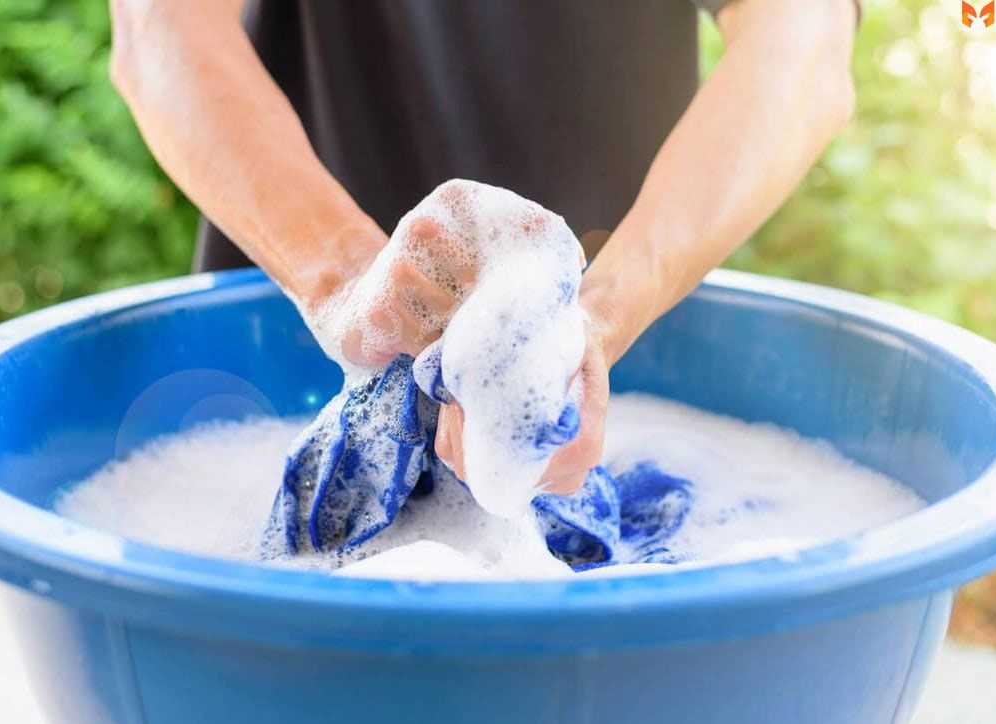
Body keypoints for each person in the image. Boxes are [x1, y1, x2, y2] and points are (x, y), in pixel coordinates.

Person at [109, 0, 857, 495]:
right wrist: (346, 280)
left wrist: (599, 314)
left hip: (605, 416)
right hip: (285, 393)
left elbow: (803, 42)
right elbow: (161, 27)